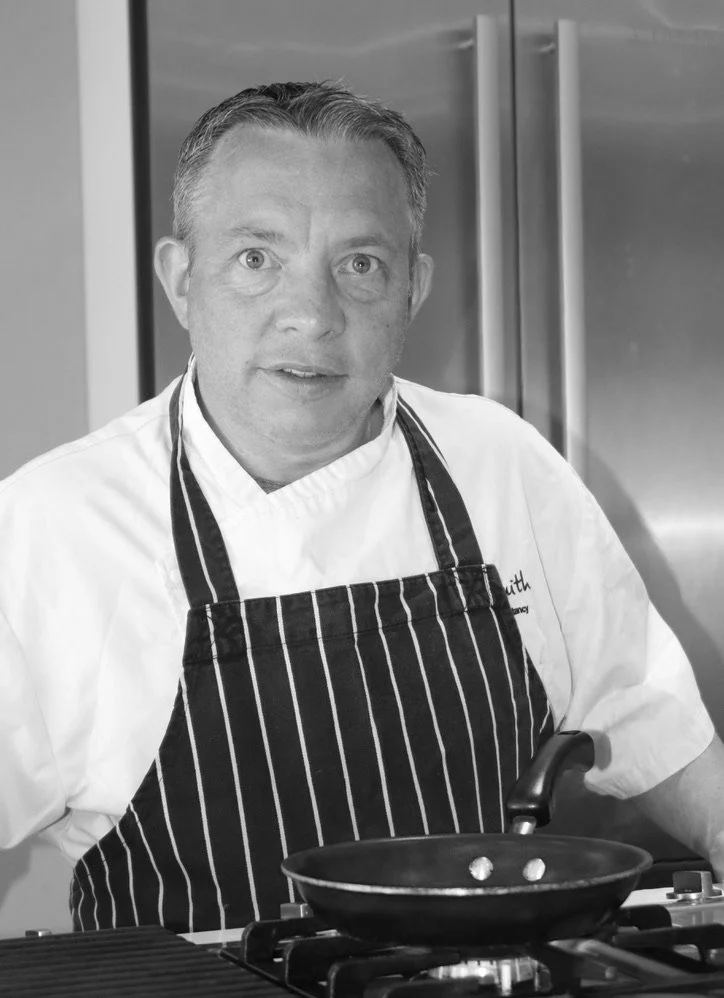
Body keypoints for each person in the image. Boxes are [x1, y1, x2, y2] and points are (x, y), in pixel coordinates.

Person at [1, 81, 723, 936]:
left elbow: (652, 722)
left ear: (413, 289)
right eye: (257, 259)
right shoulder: (56, 525)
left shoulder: (499, 464)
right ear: (182, 279)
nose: (310, 316)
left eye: (360, 265)